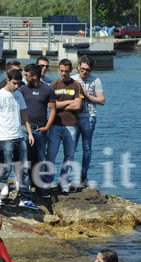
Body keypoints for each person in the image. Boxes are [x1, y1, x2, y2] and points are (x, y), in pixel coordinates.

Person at [0, 68, 37, 210]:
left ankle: (25, 198)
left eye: (19, 84)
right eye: (15, 83)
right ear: (8, 80)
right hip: (5, 138)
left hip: (19, 136)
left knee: (23, 169)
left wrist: (29, 133)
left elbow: (24, 114)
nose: (17, 86)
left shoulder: (19, 94)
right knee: (5, 169)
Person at [45, 59, 84, 194]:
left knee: (69, 155)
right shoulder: (53, 85)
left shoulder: (76, 85)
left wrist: (59, 104)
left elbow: (78, 105)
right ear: (58, 70)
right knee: (51, 154)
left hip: (71, 125)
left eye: (66, 71)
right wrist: (69, 102)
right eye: (61, 71)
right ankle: (48, 180)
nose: (64, 73)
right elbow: (50, 105)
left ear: (71, 70)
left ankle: (64, 181)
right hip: (55, 125)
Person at [20, 63, 56, 198]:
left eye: (27, 75)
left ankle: (39, 187)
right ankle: (25, 187)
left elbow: (53, 109)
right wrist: (21, 125)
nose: (25, 77)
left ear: (35, 76)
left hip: (41, 130)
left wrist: (48, 126)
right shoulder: (23, 89)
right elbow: (18, 108)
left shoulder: (47, 90)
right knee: (25, 160)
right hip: (25, 130)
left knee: (40, 159)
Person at [72, 55, 105, 188]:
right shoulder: (73, 79)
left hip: (89, 117)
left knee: (87, 147)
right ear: (79, 66)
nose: (85, 72)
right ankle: (67, 176)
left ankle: (83, 175)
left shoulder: (95, 80)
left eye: (88, 70)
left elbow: (102, 100)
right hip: (73, 118)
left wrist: (87, 96)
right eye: (83, 69)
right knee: (71, 148)